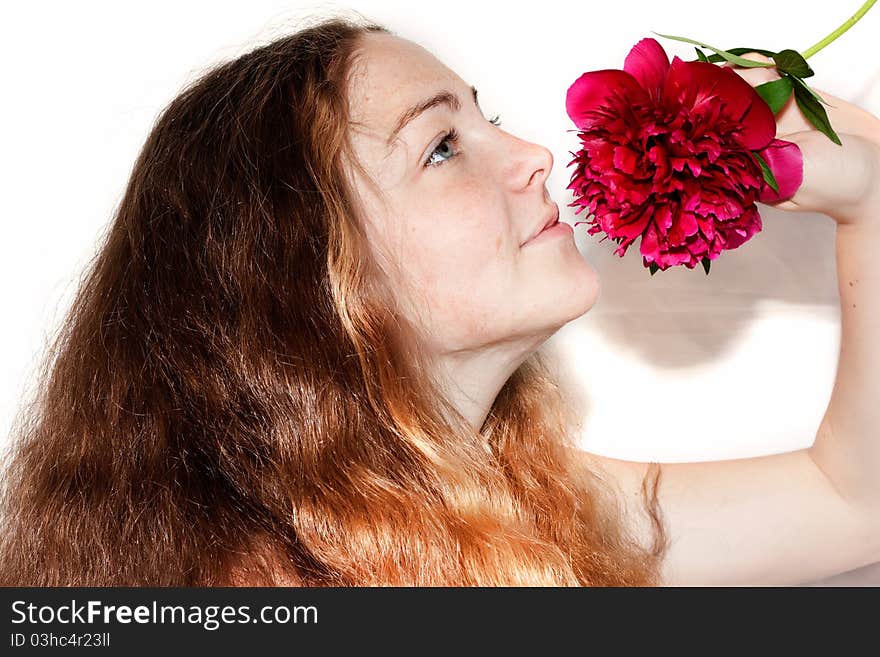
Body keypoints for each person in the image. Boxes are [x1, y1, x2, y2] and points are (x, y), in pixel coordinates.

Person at [0, 13, 878, 587]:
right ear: (307, 275)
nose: (535, 152)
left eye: (483, 117)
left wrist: (868, 197)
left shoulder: (530, 504)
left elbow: (855, 505)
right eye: (443, 146)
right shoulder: (257, 587)